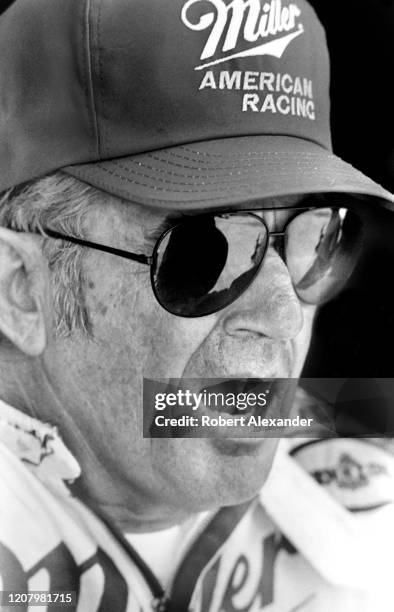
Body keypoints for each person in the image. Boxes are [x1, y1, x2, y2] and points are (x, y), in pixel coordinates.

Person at [0, 0, 393, 610]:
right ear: (20, 288)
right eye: (203, 254)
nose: (284, 317)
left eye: (318, 238)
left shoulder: (375, 492)